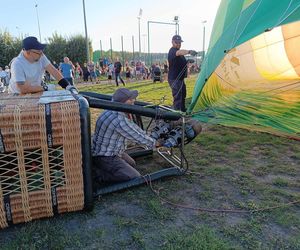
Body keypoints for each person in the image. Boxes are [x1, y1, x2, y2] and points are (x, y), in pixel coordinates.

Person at [92, 88, 160, 183]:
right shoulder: (119, 119)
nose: (134, 101)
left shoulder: (111, 108)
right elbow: (137, 136)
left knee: (132, 163)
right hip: (106, 156)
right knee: (134, 176)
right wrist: (156, 143)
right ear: (123, 102)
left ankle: (100, 166)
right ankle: (97, 174)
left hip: (108, 151)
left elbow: (134, 129)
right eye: (131, 99)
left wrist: (149, 137)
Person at [168, 35, 197, 112]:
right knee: (177, 97)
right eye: (176, 42)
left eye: (180, 42)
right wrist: (189, 52)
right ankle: (177, 115)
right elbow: (179, 52)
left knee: (183, 94)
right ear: (172, 42)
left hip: (180, 79)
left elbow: (180, 61)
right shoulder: (173, 51)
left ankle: (183, 110)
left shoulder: (180, 54)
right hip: (174, 79)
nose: (178, 44)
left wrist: (188, 61)